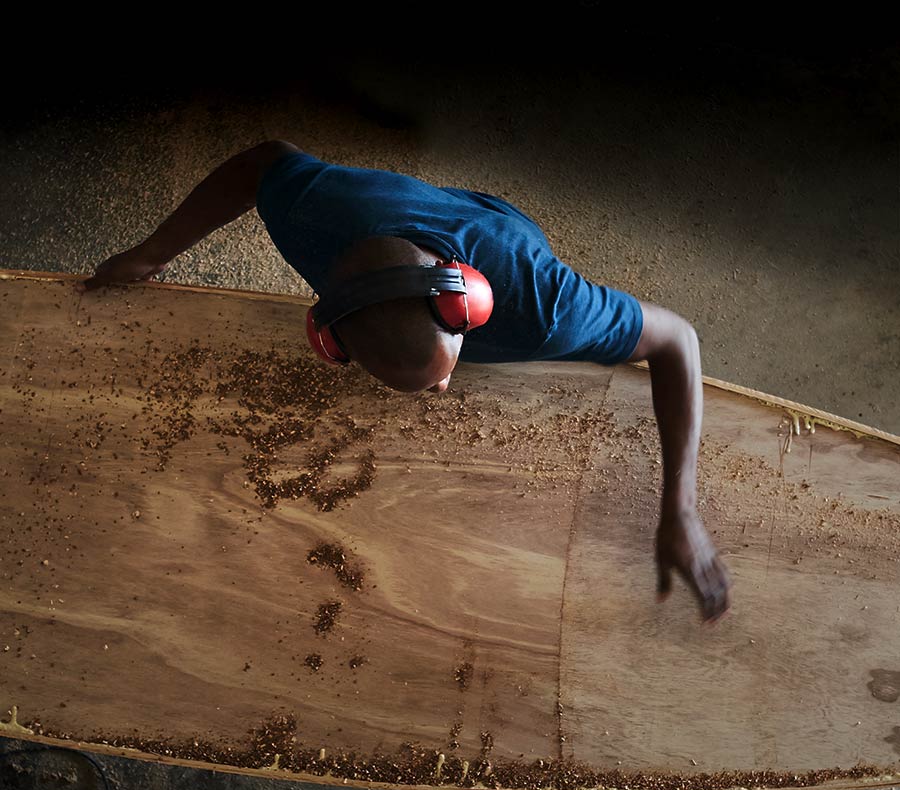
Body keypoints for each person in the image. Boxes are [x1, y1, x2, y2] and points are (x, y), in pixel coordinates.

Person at [80, 139, 731, 622]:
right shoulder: (310, 209)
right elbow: (259, 163)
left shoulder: (547, 305)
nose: (443, 393)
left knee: (508, 230)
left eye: (438, 374)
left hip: (494, 226)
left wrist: (680, 508)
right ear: (331, 338)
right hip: (377, 214)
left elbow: (678, 339)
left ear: (469, 306)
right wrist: (150, 253)